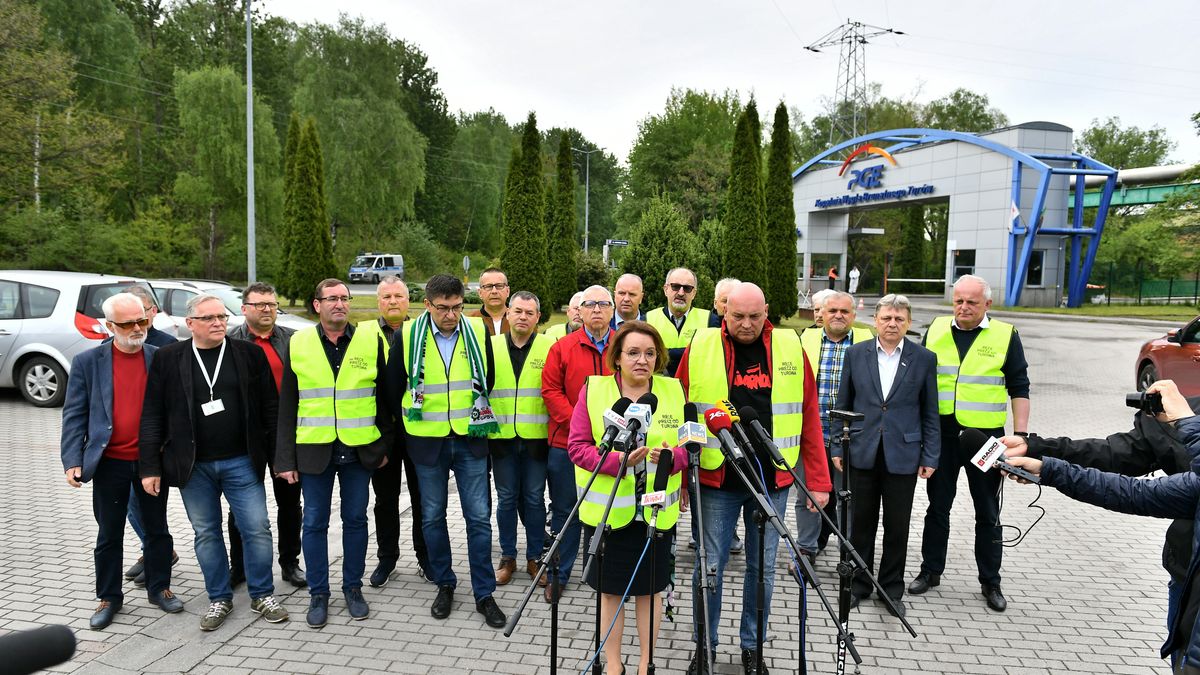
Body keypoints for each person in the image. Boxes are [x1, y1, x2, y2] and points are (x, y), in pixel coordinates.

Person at [678, 282, 832, 674]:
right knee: (709, 566)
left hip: (772, 481)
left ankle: (753, 647)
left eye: (754, 316)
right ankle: (705, 647)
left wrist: (818, 479)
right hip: (718, 480)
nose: (746, 325)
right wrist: (680, 479)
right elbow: (682, 414)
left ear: (767, 312)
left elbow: (809, 415)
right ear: (723, 311)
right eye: (737, 316)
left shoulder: (789, 347)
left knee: (761, 570)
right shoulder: (701, 346)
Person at [1003, 380, 1200, 673]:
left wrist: (1186, 423)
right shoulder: (1185, 414)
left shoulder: (1185, 418)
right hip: (1187, 577)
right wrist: (1042, 455)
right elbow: (1128, 480)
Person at [140, 293, 288, 631]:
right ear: (190, 323)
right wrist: (149, 466)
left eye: (221, 316)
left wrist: (280, 458)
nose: (219, 322)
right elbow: (152, 414)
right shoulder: (168, 358)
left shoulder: (247, 354)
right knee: (206, 533)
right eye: (209, 318)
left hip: (241, 462)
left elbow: (271, 408)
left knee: (258, 528)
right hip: (194, 467)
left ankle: (262, 594)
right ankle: (219, 598)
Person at [386, 274, 507, 628]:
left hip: (470, 438)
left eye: (457, 307)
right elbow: (395, 388)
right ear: (427, 305)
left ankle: (484, 593)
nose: (451, 315)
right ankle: (445, 582)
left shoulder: (478, 332)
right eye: (443, 308)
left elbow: (490, 378)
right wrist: (411, 424)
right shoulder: (407, 336)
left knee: (479, 519)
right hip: (427, 441)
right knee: (432, 518)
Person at [568, 321, 687, 675]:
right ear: (617, 357)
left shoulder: (674, 390)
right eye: (633, 353)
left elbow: (691, 448)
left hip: (654, 516)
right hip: (610, 516)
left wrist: (671, 457)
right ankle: (614, 664)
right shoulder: (594, 390)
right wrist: (618, 461)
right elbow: (577, 448)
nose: (642, 360)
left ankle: (645, 664)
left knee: (650, 593)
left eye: (650, 353)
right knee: (611, 594)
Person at [275, 279, 392, 628]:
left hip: (360, 450)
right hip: (314, 451)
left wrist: (383, 446)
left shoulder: (370, 340)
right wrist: (285, 460)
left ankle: (352, 589)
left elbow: (385, 400)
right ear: (317, 305)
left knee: (356, 520)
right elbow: (287, 405)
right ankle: (319, 593)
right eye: (331, 299)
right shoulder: (299, 343)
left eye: (344, 298)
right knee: (314, 523)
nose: (339, 304)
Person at [61, 292, 183, 630]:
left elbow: (173, 412)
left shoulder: (160, 358)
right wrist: (73, 459)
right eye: (128, 323)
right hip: (109, 462)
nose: (137, 328)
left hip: (150, 463)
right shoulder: (88, 362)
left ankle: (160, 588)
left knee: (157, 530)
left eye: (141, 320)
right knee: (109, 533)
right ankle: (109, 597)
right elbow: (75, 415)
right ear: (110, 325)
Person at [909, 274, 1030, 612]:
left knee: (988, 511)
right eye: (958, 300)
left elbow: (1020, 387)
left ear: (987, 305)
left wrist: (1021, 436)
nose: (963, 307)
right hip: (942, 437)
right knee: (937, 507)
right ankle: (930, 571)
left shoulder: (1005, 335)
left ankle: (990, 582)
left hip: (985, 440)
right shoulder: (934, 329)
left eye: (971, 302)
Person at [832, 294, 939, 618]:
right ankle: (859, 585)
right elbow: (843, 402)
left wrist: (931, 456)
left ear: (907, 323)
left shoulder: (923, 358)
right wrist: (838, 445)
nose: (892, 324)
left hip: (903, 454)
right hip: (862, 451)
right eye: (886, 318)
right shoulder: (856, 354)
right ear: (875, 320)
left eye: (899, 319)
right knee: (860, 524)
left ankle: (890, 589)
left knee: (897, 527)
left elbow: (929, 411)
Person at [225, 282, 304, 590]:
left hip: (284, 434)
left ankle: (290, 563)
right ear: (245, 309)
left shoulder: (292, 340)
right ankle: (239, 566)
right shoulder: (231, 342)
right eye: (260, 305)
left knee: (289, 503)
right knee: (241, 506)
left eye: (272, 304)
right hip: (245, 438)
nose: (268, 309)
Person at [541, 284, 615, 601]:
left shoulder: (624, 348)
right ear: (579, 311)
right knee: (566, 512)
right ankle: (560, 572)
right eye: (590, 304)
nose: (596, 309)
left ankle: (601, 572)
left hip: (614, 447)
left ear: (612, 310)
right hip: (567, 446)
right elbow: (551, 391)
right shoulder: (563, 348)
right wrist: (581, 428)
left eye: (603, 303)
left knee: (607, 512)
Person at [795, 291, 872, 558]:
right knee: (807, 498)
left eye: (844, 311)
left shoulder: (867, 340)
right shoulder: (806, 339)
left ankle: (847, 555)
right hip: (811, 436)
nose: (838, 316)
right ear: (822, 314)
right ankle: (807, 549)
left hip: (850, 438)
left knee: (847, 500)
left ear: (854, 315)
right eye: (832, 311)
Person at [486, 291, 551, 592]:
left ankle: (535, 557)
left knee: (535, 499)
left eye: (530, 312)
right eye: (518, 311)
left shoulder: (549, 347)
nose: (523, 317)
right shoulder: (491, 346)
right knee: (507, 498)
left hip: (536, 439)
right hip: (501, 439)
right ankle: (508, 557)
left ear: (538, 317)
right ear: (508, 313)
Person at [367, 275, 430, 587]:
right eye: (387, 297)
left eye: (399, 296)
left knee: (423, 499)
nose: (393, 301)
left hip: (419, 430)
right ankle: (386, 559)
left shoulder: (423, 332)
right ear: (379, 301)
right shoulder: (363, 334)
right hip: (383, 433)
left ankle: (426, 557)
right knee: (385, 500)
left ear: (409, 301)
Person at [116, 285, 177, 588]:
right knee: (129, 505)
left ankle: (158, 557)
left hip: (154, 447)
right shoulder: (114, 344)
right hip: (120, 449)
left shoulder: (166, 347)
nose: (135, 321)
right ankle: (151, 551)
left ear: (152, 312)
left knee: (151, 507)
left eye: (140, 312)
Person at [646, 267, 711, 376]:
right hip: (659, 390)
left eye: (687, 288)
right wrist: (691, 352)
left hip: (692, 390)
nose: (681, 293)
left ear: (694, 293)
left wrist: (662, 353)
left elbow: (708, 356)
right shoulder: (647, 319)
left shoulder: (710, 320)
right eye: (675, 286)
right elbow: (645, 355)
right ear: (666, 289)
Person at [472, 267, 511, 336]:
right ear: (480, 293)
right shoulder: (470, 321)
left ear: (507, 291)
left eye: (499, 286)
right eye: (488, 286)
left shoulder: (520, 320)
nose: (494, 291)